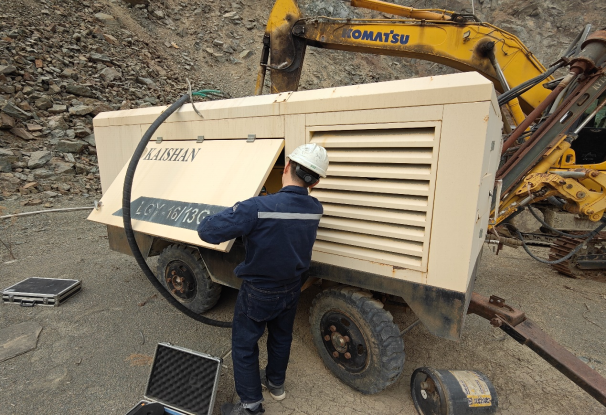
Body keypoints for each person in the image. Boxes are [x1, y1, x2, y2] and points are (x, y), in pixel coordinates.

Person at [197, 144, 329, 415]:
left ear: (287, 166)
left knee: (244, 344)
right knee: (281, 337)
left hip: (259, 291)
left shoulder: (257, 206)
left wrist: (234, 213)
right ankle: (276, 384)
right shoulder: (315, 208)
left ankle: (250, 406)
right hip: (292, 287)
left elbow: (207, 232)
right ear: (315, 182)